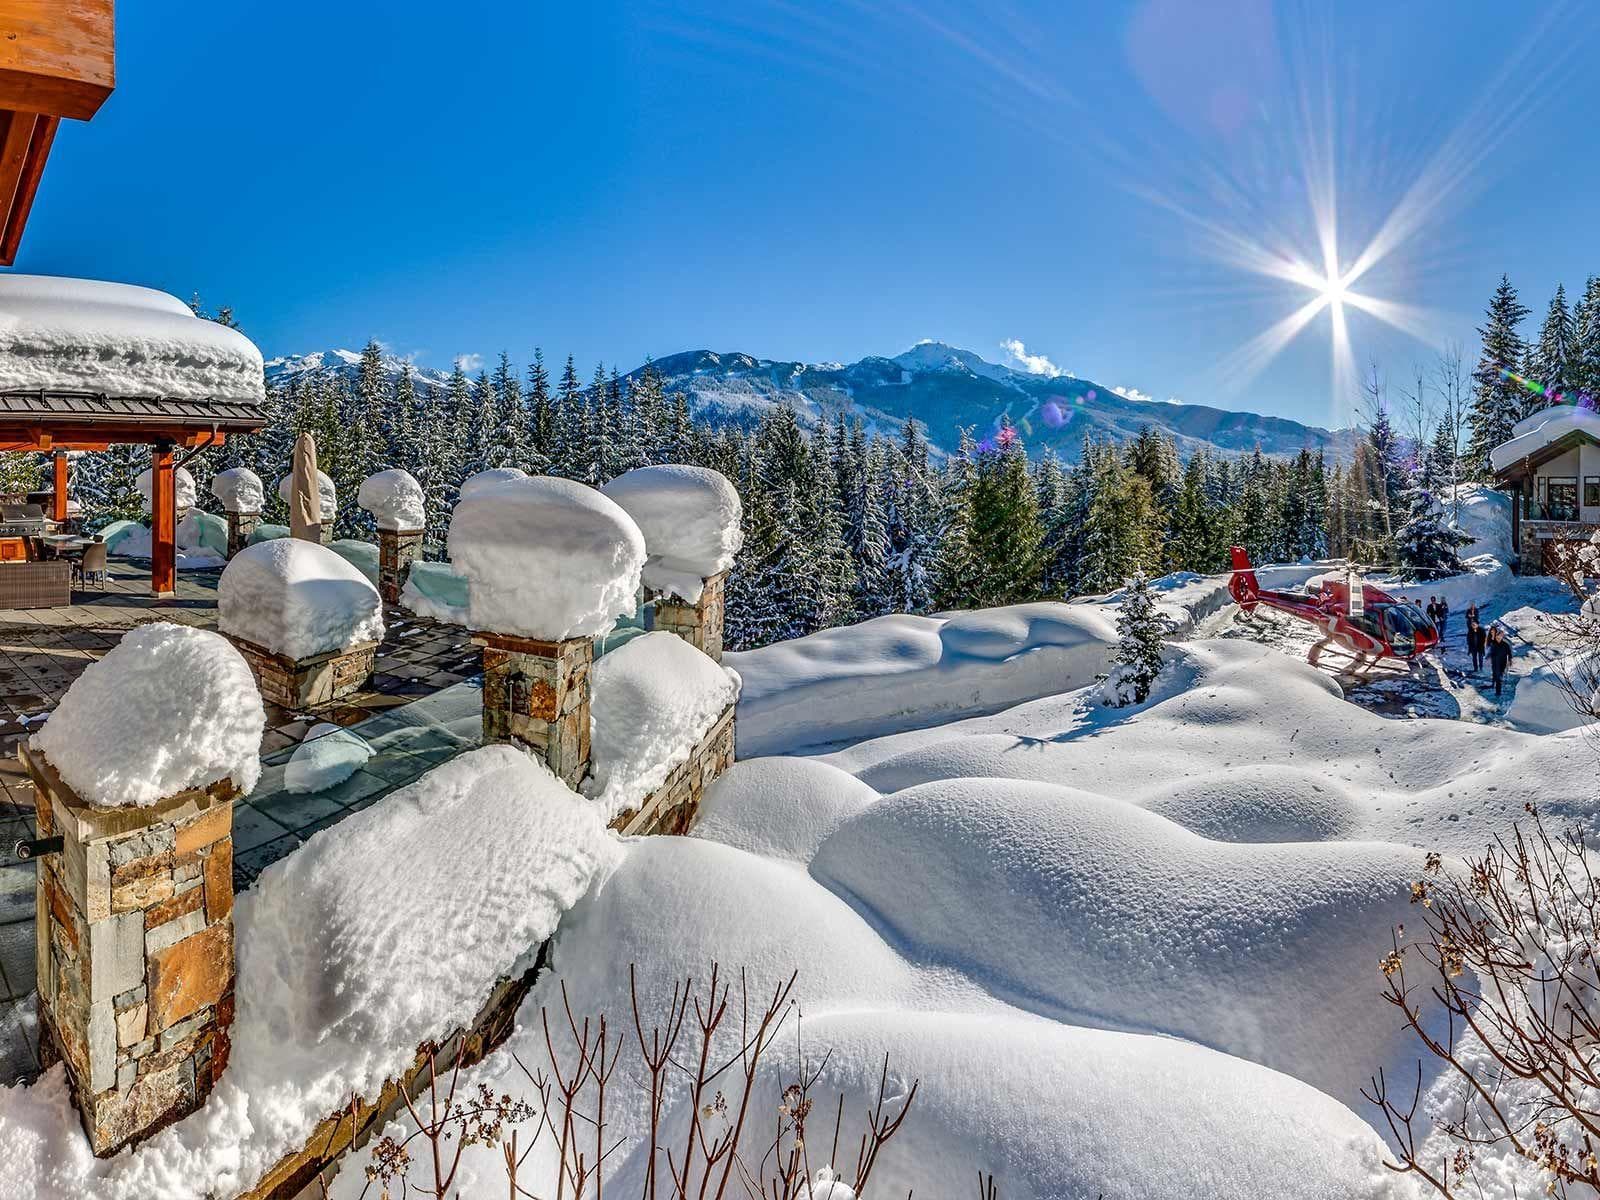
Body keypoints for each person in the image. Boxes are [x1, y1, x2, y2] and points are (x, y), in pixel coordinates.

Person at [1487, 626, 1513, 697]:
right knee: (1495, 674)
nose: (1498, 638)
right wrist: (1488, 657)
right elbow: (1491, 652)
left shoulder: (1505, 645)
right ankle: (1493, 684)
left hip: (1502, 663)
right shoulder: (1493, 644)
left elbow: (1509, 653)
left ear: (1502, 637)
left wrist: (1510, 660)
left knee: (1499, 677)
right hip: (1494, 662)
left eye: (1500, 637)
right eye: (1497, 637)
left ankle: (1498, 692)